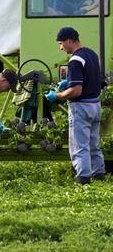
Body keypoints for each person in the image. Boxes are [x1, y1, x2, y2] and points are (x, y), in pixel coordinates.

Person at [45, 27, 105, 184]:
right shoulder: (92, 54)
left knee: (79, 145)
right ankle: (99, 175)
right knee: (94, 144)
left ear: (69, 40)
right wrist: (69, 82)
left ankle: (83, 179)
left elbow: (76, 91)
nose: (60, 47)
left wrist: (56, 95)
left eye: (61, 43)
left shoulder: (75, 60)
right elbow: (92, 79)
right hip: (95, 105)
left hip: (81, 107)